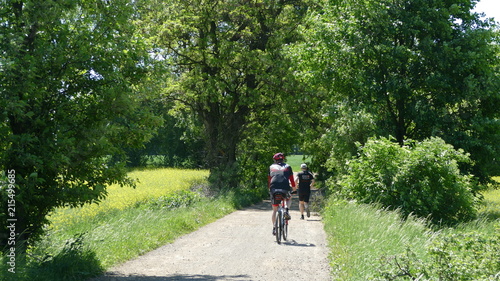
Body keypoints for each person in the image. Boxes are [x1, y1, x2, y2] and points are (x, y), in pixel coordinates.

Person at [268, 152, 296, 235]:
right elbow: (292, 180)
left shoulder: (271, 167)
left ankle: (274, 227)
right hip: (285, 187)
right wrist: (294, 190)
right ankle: (286, 209)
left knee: (274, 210)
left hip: (273, 188)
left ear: (274, 160)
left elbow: (269, 180)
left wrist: (269, 189)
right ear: (283, 159)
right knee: (288, 198)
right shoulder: (288, 167)